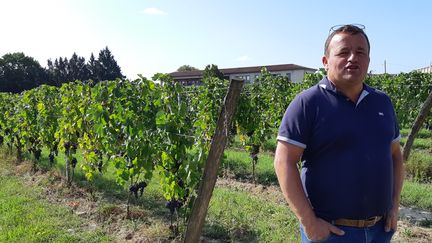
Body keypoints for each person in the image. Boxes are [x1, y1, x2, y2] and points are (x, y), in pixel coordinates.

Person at [274, 24, 404, 242]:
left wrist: (394, 206)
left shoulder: (382, 102)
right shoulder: (308, 103)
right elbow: (283, 162)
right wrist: (309, 222)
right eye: (343, 52)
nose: (353, 58)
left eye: (360, 52)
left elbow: (395, 156)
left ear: (368, 61)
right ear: (325, 62)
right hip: (332, 233)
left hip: (380, 230)